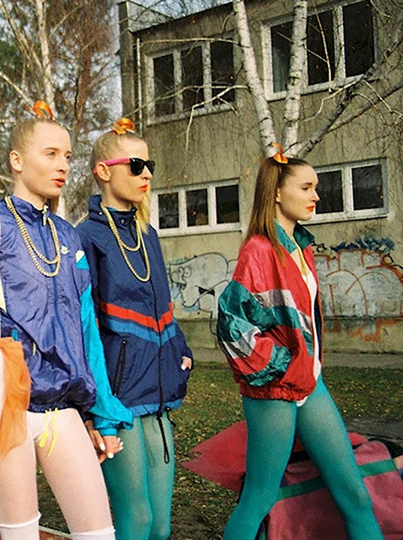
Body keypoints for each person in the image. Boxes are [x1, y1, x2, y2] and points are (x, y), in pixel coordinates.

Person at [0, 102, 133, 540]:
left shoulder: (68, 236)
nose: (63, 165)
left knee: (99, 534)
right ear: (17, 160)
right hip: (6, 408)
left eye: (67, 156)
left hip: (62, 410)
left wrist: (102, 415)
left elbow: (85, 334)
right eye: (50, 154)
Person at [216, 145, 382, 539]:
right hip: (275, 391)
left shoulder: (301, 247)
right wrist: (283, 367)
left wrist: (304, 370)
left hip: (310, 384)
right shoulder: (259, 251)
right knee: (259, 499)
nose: (316, 196)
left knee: (354, 494)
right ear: (277, 192)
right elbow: (232, 328)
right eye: (306, 188)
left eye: (315, 188)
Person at [76, 118, 193, 540]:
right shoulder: (85, 237)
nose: (146, 174)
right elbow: (81, 330)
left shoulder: (149, 235)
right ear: (103, 171)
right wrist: (95, 410)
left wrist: (181, 351)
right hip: (117, 398)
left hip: (158, 393)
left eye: (150, 166)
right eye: (136, 165)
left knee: (160, 527)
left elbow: (163, 309)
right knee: (137, 518)